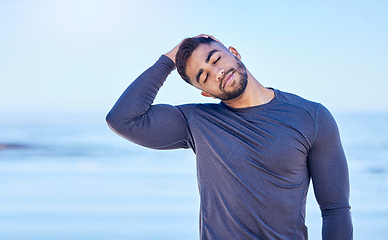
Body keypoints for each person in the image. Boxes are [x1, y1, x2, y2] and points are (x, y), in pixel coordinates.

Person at [106, 34, 353, 239]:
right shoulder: (197, 121)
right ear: (206, 93)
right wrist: (169, 60)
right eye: (204, 76)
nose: (216, 72)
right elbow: (123, 119)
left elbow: (335, 211)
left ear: (234, 52)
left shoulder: (311, 116)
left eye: (215, 59)